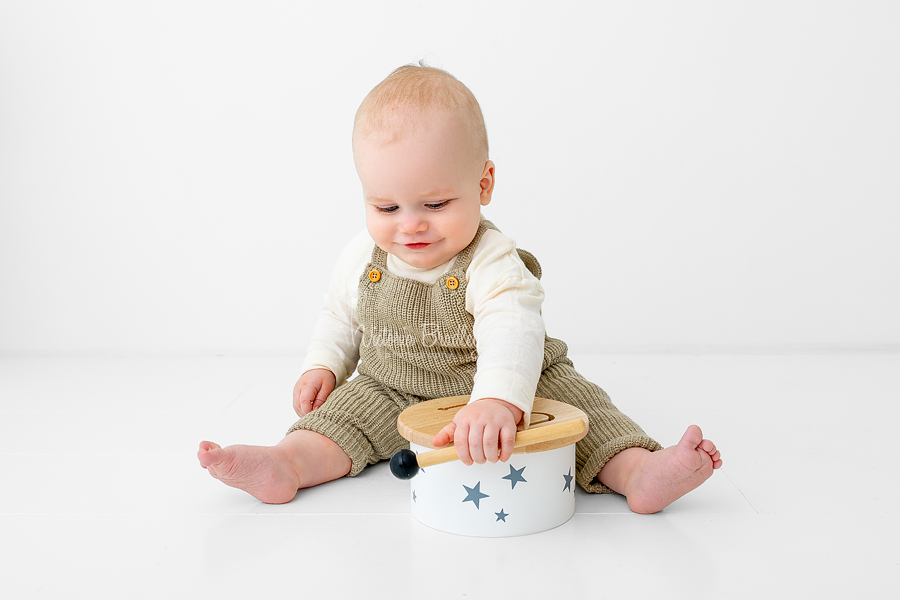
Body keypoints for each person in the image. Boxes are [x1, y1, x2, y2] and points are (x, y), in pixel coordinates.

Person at [198, 64, 722, 514]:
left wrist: (498, 399)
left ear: (484, 184)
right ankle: (285, 464)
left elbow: (512, 328)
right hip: (391, 384)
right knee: (337, 422)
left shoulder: (492, 258)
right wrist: (324, 365)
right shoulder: (364, 256)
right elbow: (340, 315)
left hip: (517, 383)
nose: (410, 226)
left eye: (435, 205)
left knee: (581, 417)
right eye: (386, 207)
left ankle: (639, 474)